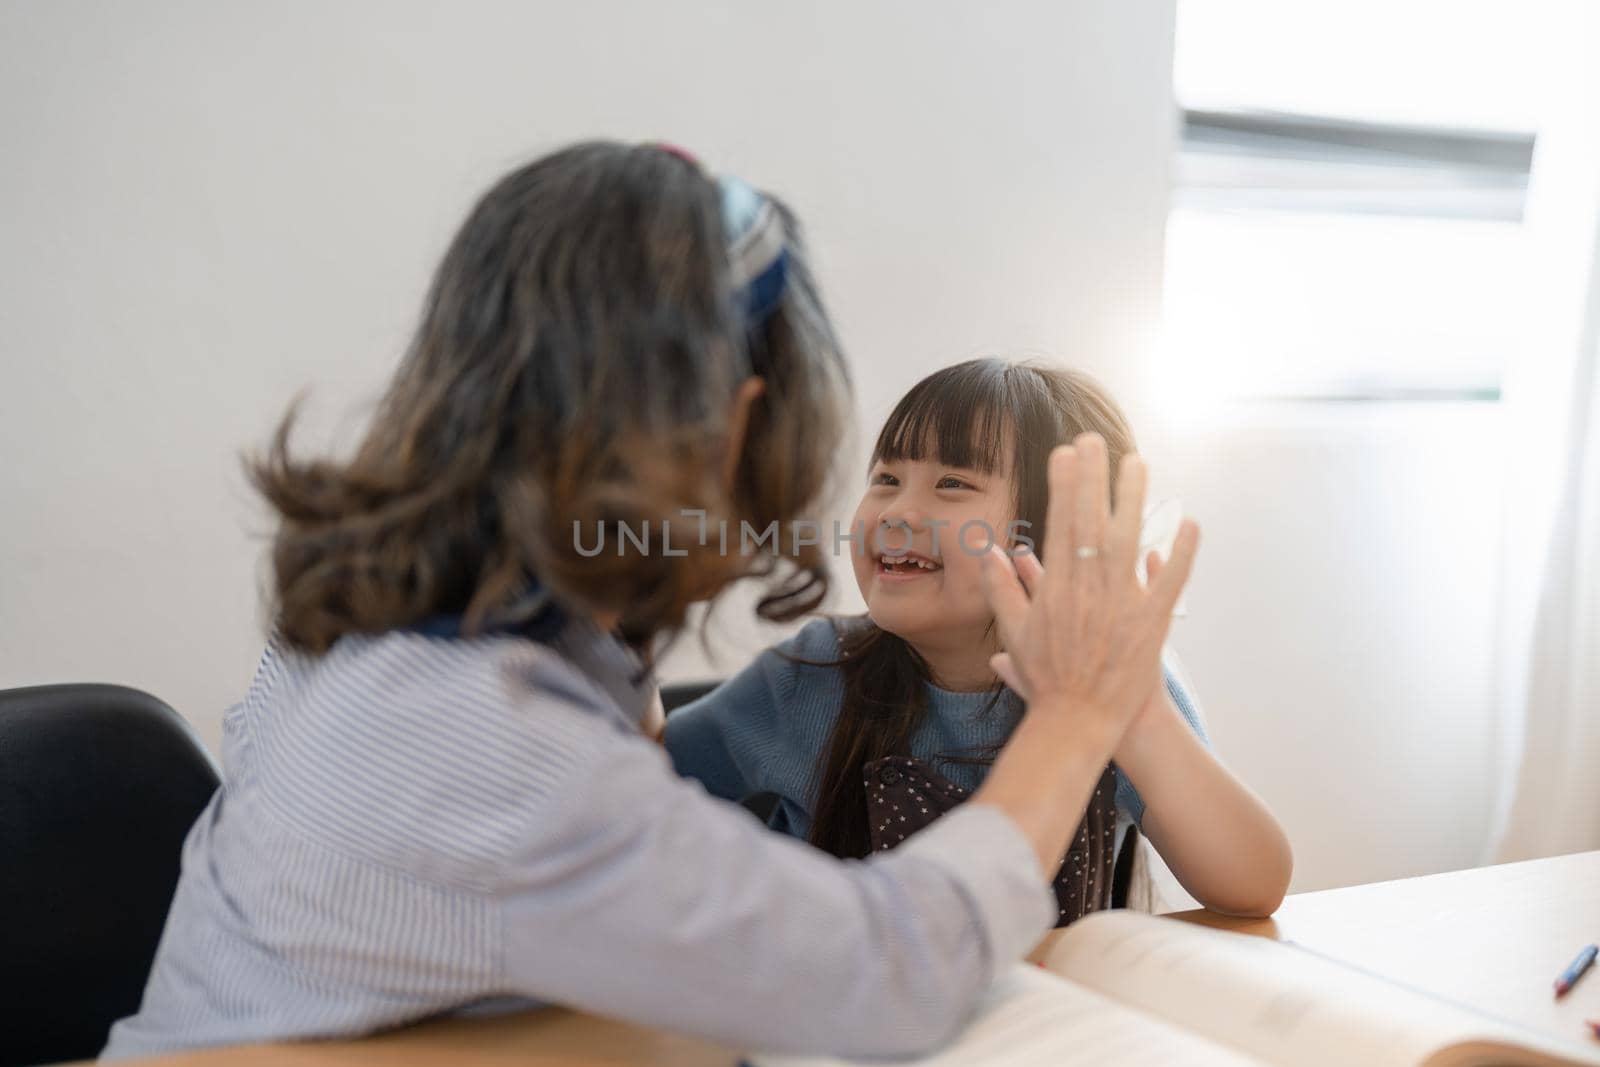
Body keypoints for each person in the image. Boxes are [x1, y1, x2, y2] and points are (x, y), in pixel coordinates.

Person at [102, 142, 1198, 1060]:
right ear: (736, 425)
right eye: (886, 471)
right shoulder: (492, 737)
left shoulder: (410, 629)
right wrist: (1076, 714)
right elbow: (894, 968)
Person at [665, 359, 1292, 925]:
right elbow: (639, 788)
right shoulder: (809, 673)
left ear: (1057, 530)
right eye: (886, 478)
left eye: (952, 485)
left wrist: (1136, 711)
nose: (896, 512)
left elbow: (1251, 886)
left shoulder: (1121, 679)